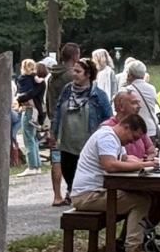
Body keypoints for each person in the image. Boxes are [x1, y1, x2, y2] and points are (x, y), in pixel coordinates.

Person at [69, 113, 156, 252]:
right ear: (126, 127)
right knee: (141, 201)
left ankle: (128, 244)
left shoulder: (115, 139)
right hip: (87, 195)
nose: (132, 142)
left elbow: (126, 158)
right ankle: (132, 251)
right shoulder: (107, 137)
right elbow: (110, 165)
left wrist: (148, 161)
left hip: (97, 191)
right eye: (134, 137)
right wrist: (144, 165)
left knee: (144, 195)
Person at [52, 58, 113, 204]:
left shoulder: (98, 95)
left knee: (83, 170)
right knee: (67, 169)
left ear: (88, 74)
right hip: (67, 139)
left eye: (78, 71)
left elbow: (108, 119)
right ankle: (72, 191)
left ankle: (79, 196)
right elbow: (58, 111)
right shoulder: (67, 90)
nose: (74, 74)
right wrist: (53, 132)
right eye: (73, 70)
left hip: (87, 141)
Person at [45, 43, 82, 205]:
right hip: (71, 123)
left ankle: (56, 195)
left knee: (56, 159)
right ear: (75, 57)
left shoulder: (52, 75)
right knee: (72, 158)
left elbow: (48, 100)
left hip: (55, 120)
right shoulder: (71, 76)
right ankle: (71, 191)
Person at [120, 59, 160, 142]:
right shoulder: (152, 88)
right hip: (150, 128)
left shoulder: (127, 90)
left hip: (134, 129)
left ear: (130, 75)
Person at [15, 58, 44, 171]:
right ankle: (37, 165)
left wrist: (19, 99)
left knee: (28, 139)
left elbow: (23, 95)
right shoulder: (35, 80)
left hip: (28, 110)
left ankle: (32, 166)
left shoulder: (21, 79)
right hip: (35, 109)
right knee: (33, 138)